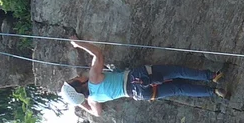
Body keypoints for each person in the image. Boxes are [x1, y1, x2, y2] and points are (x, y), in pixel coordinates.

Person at [61, 39, 225, 113]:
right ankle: (211, 76)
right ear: (78, 84)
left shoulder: (93, 100)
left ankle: (213, 92)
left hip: (139, 94)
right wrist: (78, 43)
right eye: (73, 80)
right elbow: (97, 53)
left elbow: (97, 114)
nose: (75, 77)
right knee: (177, 71)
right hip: (136, 77)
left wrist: (80, 104)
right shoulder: (94, 77)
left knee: (178, 88)